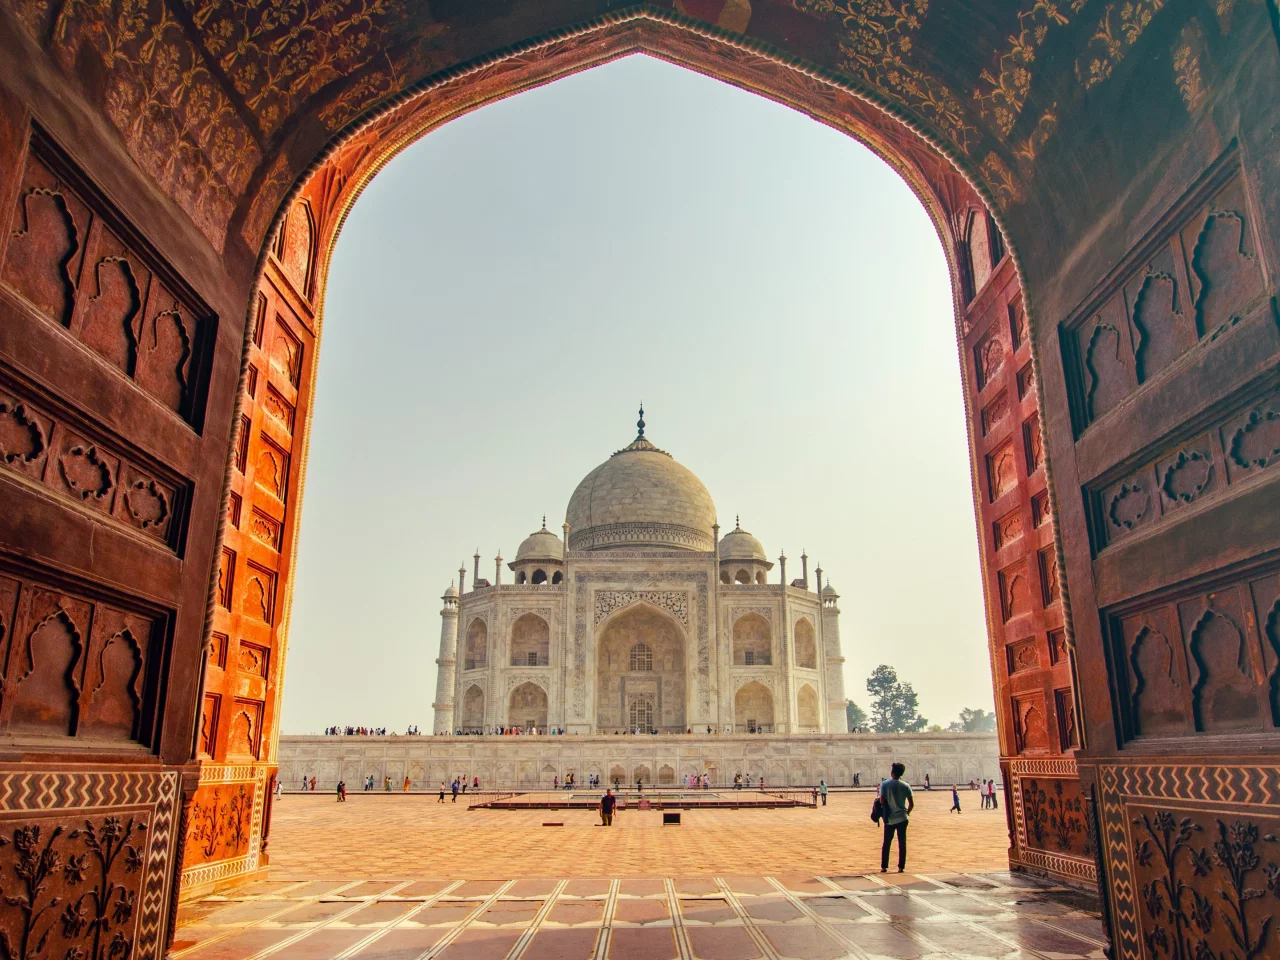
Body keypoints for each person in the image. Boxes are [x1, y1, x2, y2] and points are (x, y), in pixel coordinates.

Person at [879, 762, 914, 874]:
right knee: (902, 843)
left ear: (892, 772)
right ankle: (900, 867)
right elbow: (911, 804)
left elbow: (882, 801)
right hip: (902, 818)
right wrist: (907, 813)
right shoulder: (906, 786)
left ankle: (884, 866)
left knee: (887, 843)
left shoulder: (885, 784)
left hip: (889, 819)